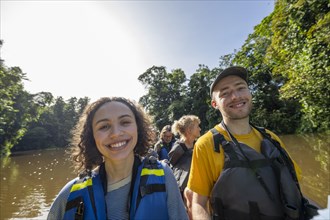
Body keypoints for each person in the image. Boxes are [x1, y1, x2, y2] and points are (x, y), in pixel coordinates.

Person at [187, 66, 319, 220]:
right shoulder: (206, 144)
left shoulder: (271, 138)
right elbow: (198, 203)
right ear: (214, 104)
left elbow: (296, 188)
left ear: (250, 93)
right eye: (225, 93)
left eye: (240, 88)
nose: (235, 96)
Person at [47, 97, 188, 220]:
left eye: (125, 122)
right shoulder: (69, 195)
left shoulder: (164, 176)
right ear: (92, 137)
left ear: (138, 129)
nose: (115, 133)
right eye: (104, 126)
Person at [168, 115, 201, 219]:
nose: (200, 129)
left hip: (196, 187)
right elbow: (172, 162)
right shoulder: (178, 147)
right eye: (197, 126)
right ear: (189, 130)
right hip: (181, 189)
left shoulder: (198, 145)